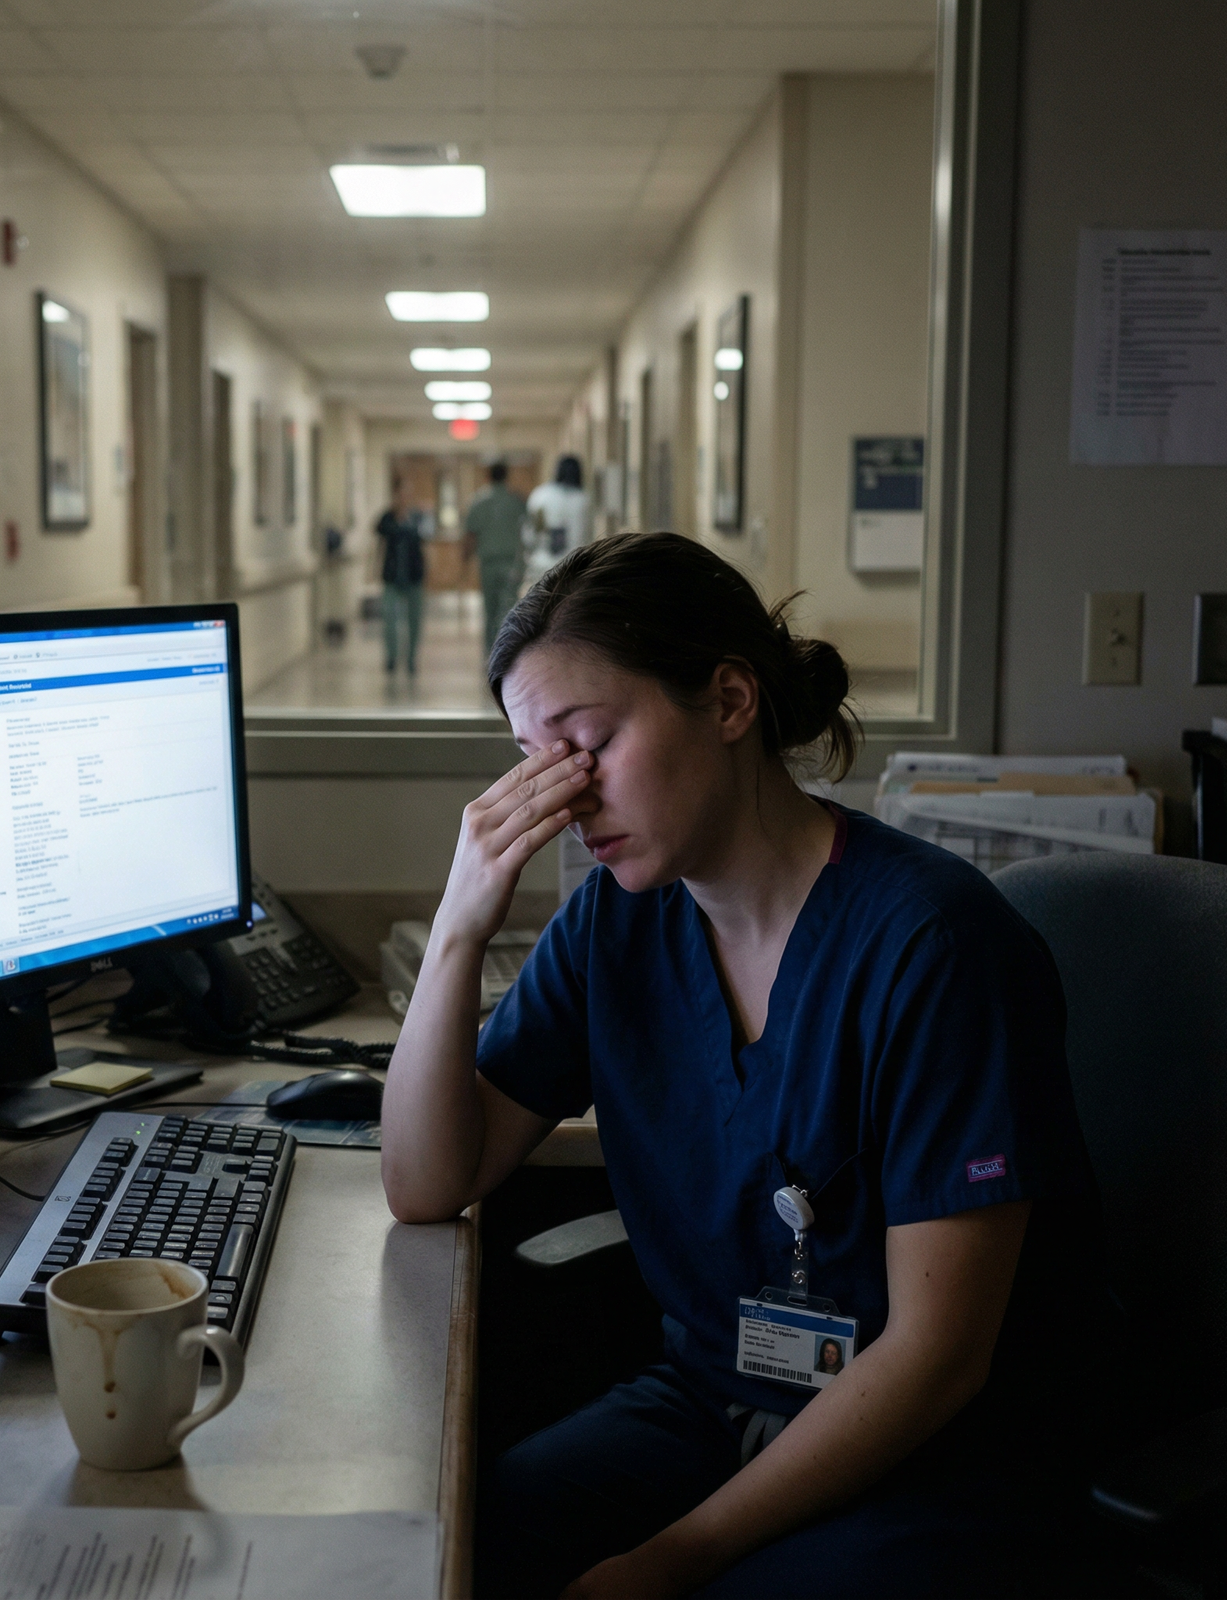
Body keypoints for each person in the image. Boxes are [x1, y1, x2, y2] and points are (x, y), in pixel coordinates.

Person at [380, 532, 1103, 1599]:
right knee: (463, 1539)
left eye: (588, 743)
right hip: (715, 1397)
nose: (564, 798)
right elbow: (428, 1178)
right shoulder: (613, 932)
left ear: (728, 701)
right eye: (536, 762)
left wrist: (676, 1553)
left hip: (936, 1450)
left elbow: (939, 1359)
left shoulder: (935, 950)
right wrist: (456, 929)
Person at [463, 459, 527, 657]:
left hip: (488, 563)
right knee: (508, 608)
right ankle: (507, 652)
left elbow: (470, 536)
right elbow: (527, 530)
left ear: (488, 476)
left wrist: (464, 561)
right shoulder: (516, 500)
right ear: (506, 476)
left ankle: (490, 652)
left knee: (489, 610)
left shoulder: (479, 501)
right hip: (511, 563)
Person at [375, 478, 424, 675]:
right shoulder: (387, 518)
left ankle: (411, 657)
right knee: (390, 618)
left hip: (414, 576)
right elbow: (380, 539)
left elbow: (423, 541)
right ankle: (392, 657)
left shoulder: (417, 517)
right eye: (400, 494)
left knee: (414, 621)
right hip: (392, 576)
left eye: (407, 494)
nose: (404, 498)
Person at [526, 454, 593, 581]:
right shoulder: (583, 499)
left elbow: (531, 533)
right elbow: (585, 533)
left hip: (543, 562)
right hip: (574, 564)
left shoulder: (541, 495)